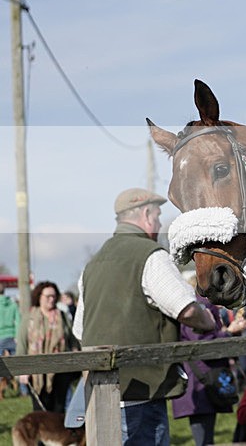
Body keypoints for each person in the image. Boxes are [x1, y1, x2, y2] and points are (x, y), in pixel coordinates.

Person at [73, 187, 216, 446]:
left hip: (100, 398)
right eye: (159, 216)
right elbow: (187, 309)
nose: (160, 223)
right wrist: (208, 322)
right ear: (147, 215)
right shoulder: (151, 256)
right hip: (142, 395)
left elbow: (79, 330)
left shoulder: (93, 264)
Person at [172, 270, 246, 446]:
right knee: (204, 440)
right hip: (201, 380)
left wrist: (229, 333)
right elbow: (201, 342)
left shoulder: (200, 305)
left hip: (205, 378)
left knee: (206, 438)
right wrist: (230, 332)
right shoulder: (197, 307)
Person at [17, 281, 80, 412]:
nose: (51, 299)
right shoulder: (29, 318)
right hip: (36, 373)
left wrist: (76, 357)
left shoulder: (62, 316)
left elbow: (72, 340)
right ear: (39, 296)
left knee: (59, 410)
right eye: (48, 296)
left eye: (54, 296)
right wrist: (22, 370)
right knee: (40, 411)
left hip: (61, 371)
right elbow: (22, 345)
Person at [0, 282, 21, 357]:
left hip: (0, 336)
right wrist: (17, 336)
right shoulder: (13, 304)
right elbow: (18, 322)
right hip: (11, 336)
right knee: (14, 362)